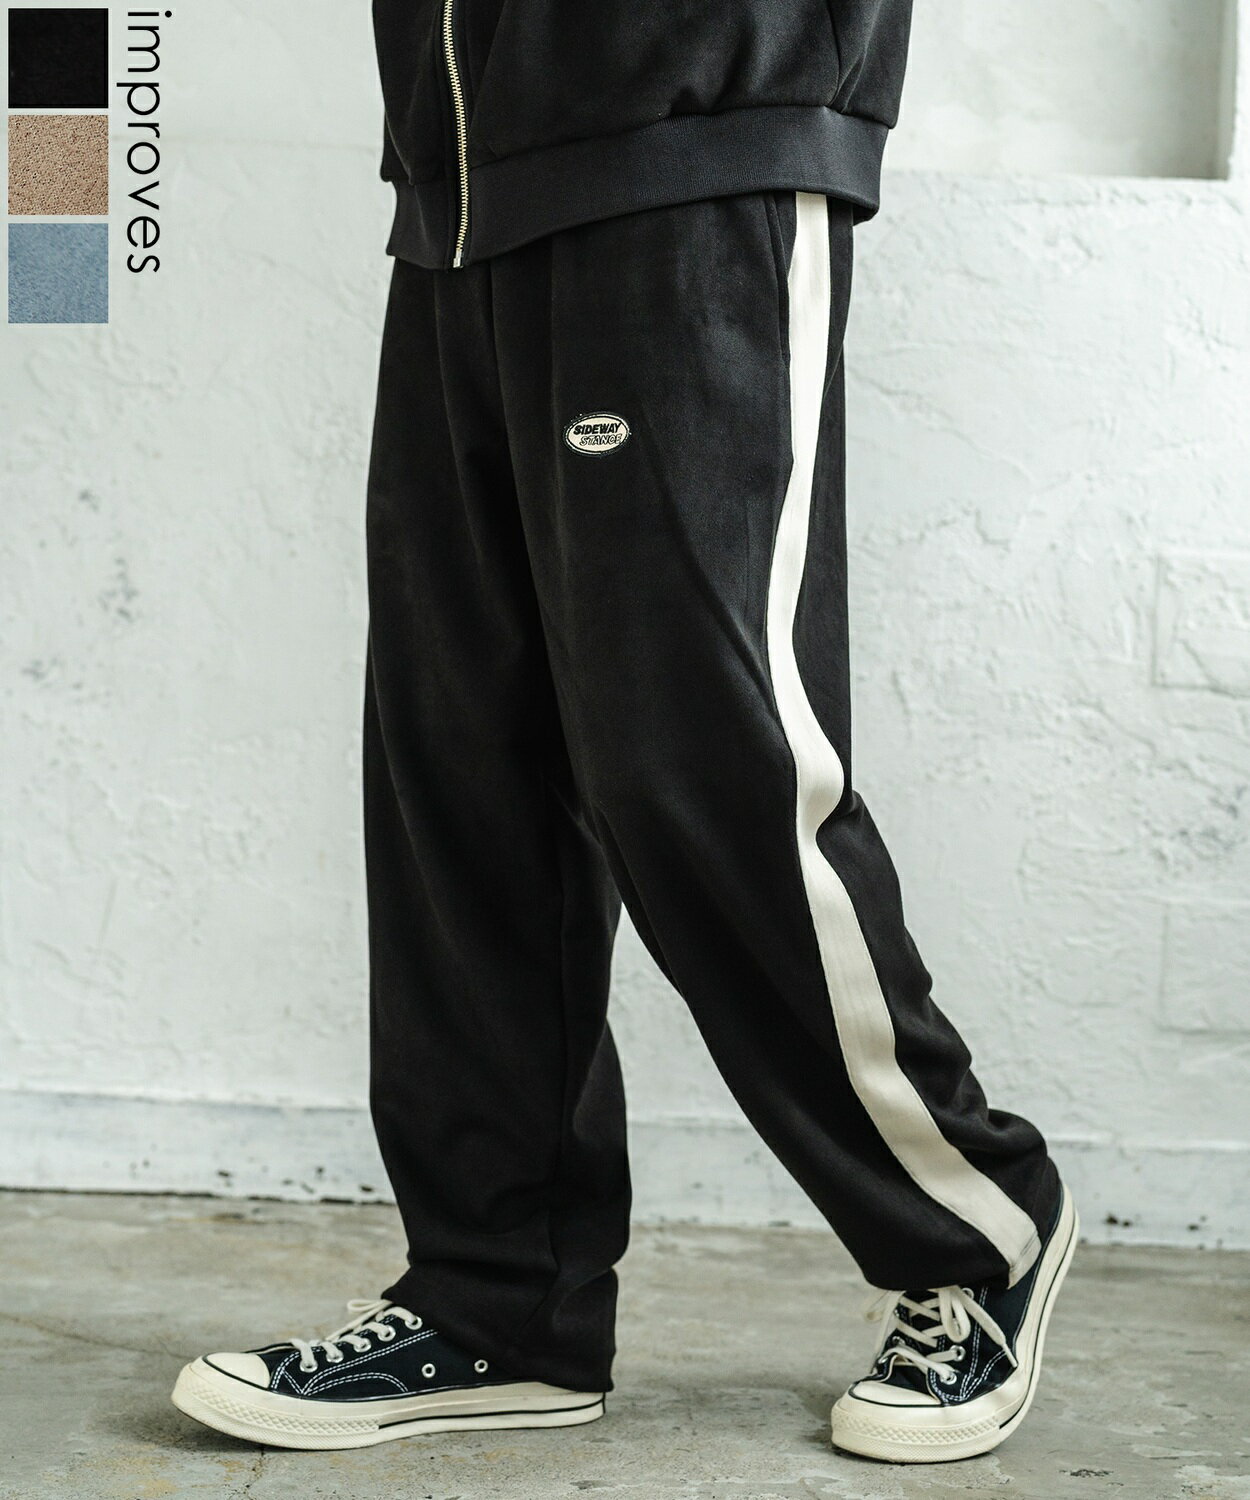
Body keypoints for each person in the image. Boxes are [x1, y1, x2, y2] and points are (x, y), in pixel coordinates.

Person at [171, 0, 1077, 1465]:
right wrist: (49, 220)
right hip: (458, 203)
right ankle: (499, 1301)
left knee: (702, 764)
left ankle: (975, 1226)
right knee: (460, 775)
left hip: (693, 153)